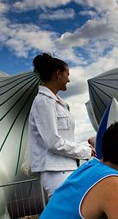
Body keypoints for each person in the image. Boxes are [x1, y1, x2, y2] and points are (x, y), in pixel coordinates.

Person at [28, 53, 95, 199]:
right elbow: (53, 142)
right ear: (58, 74)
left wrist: (87, 147)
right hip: (56, 172)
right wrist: (86, 151)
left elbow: (65, 139)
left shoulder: (54, 102)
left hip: (64, 168)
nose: (69, 79)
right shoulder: (44, 102)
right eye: (67, 74)